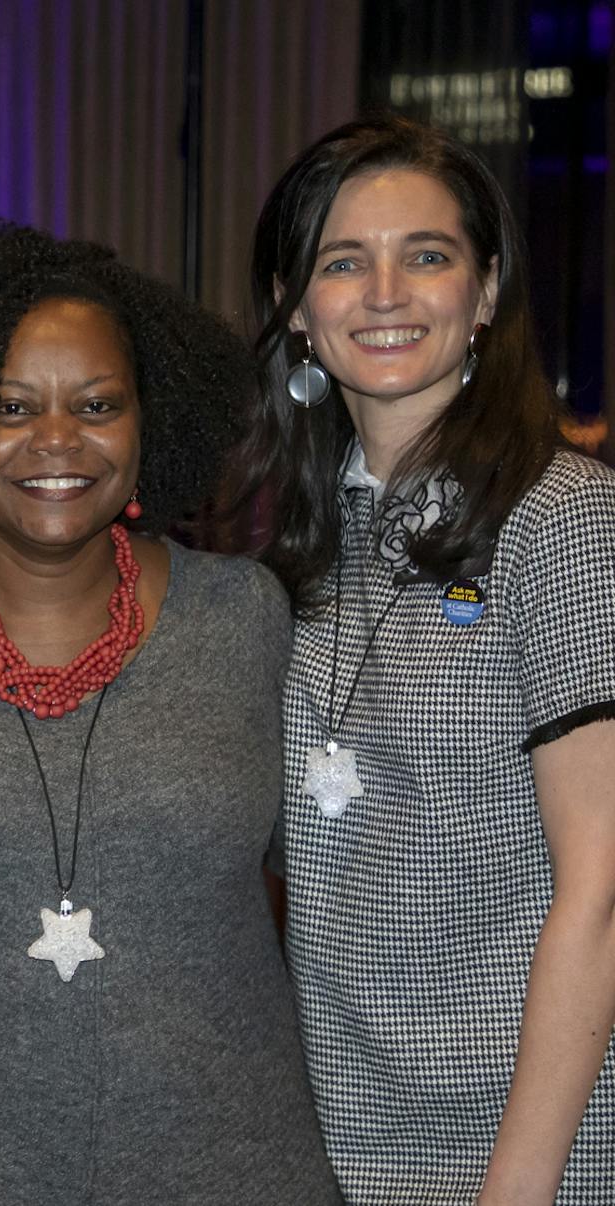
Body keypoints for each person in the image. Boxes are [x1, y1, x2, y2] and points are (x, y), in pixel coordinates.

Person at [0, 219, 339, 1203]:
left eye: (97, 405)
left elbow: (355, 891)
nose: (56, 440)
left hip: (233, 1177)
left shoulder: (244, 619)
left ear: (148, 420)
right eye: (9, 407)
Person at [234, 113, 615, 1203]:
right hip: (332, 1145)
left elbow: (601, 892)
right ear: (294, 309)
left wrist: (518, 1186)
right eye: (343, 262)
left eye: (428, 256)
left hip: (523, 1152)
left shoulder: (564, 520)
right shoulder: (306, 544)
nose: (386, 293)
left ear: (485, 292)